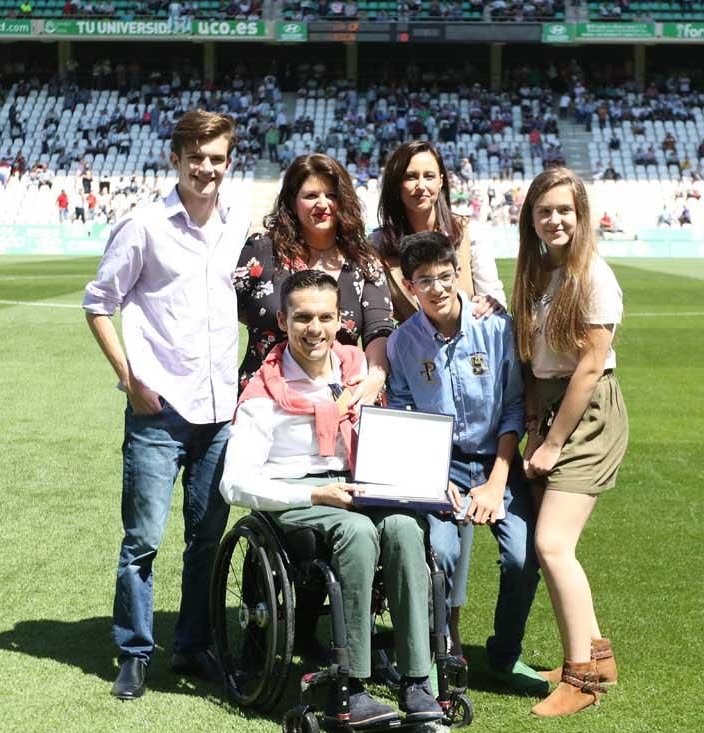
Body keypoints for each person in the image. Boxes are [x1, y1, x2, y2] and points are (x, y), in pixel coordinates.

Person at [219, 269, 443, 729]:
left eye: (324, 316)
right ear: (282, 321)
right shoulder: (264, 392)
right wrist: (312, 492)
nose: (314, 329)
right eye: (302, 318)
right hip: (296, 496)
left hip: (357, 486)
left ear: (341, 318)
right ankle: (351, 685)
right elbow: (235, 483)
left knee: (403, 527)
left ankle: (418, 677)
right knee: (357, 532)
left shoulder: (356, 372)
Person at [82, 110, 251, 700]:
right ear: (175, 158)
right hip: (159, 411)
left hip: (218, 412)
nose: (207, 168)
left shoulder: (238, 226)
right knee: (143, 540)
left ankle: (193, 644)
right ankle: (133, 651)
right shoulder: (144, 225)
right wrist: (129, 378)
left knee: (206, 540)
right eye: (197, 157)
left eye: (218, 158)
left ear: (228, 163)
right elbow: (98, 301)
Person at [385, 231, 545, 695]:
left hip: (498, 460)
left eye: (443, 276)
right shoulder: (402, 343)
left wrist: (497, 484)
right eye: (423, 280)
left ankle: (504, 656)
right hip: (440, 467)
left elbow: (514, 408)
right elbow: (404, 413)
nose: (436, 288)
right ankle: (439, 653)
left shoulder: (496, 329)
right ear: (410, 286)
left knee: (521, 556)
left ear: (458, 274)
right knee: (441, 554)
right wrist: (433, 479)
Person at [511, 167, 628, 717]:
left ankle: (582, 682)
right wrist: (535, 423)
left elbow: (587, 369)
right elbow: (537, 361)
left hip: (586, 415)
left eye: (565, 210)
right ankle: (594, 654)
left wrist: (553, 442)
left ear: (581, 217)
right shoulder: (542, 273)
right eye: (544, 211)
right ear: (530, 219)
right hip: (552, 411)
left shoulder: (593, 277)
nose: (554, 220)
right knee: (551, 543)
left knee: (553, 546)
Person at [233, 153, 393, 402]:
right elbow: (221, 310)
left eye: (331, 195)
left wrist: (375, 377)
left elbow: (378, 328)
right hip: (262, 402)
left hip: (337, 404)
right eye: (311, 196)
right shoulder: (262, 250)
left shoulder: (364, 261)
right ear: (292, 202)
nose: (323, 204)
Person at [372, 140, 506, 324]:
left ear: (441, 181)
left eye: (429, 176)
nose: (421, 185)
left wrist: (490, 303)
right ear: (396, 183)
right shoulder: (378, 244)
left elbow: (492, 298)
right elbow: (377, 316)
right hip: (410, 350)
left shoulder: (469, 232)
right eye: (411, 176)